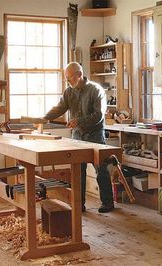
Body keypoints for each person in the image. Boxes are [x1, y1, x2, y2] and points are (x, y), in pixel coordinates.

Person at [43, 62, 115, 213]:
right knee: (78, 171)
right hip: (77, 136)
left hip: (95, 136)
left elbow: (99, 115)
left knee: (101, 170)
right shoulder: (69, 92)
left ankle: (107, 203)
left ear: (79, 75)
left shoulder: (96, 90)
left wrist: (79, 121)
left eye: (69, 78)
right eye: (66, 79)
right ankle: (78, 203)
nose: (67, 81)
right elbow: (60, 108)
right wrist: (44, 118)